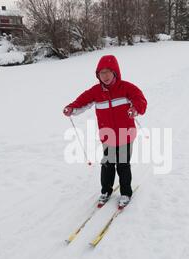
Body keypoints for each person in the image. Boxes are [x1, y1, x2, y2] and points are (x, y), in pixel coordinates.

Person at [63, 55, 147, 208]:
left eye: (108, 72)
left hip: (125, 133)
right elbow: (81, 102)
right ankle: (106, 191)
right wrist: (71, 108)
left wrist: (135, 109)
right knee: (107, 163)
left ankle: (126, 193)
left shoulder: (126, 88)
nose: (105, 76)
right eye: (102, 73)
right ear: (98, 75)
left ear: (115, 72)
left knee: (122, 163)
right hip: (107, 134)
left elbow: (140, 100)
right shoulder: (96, 92)